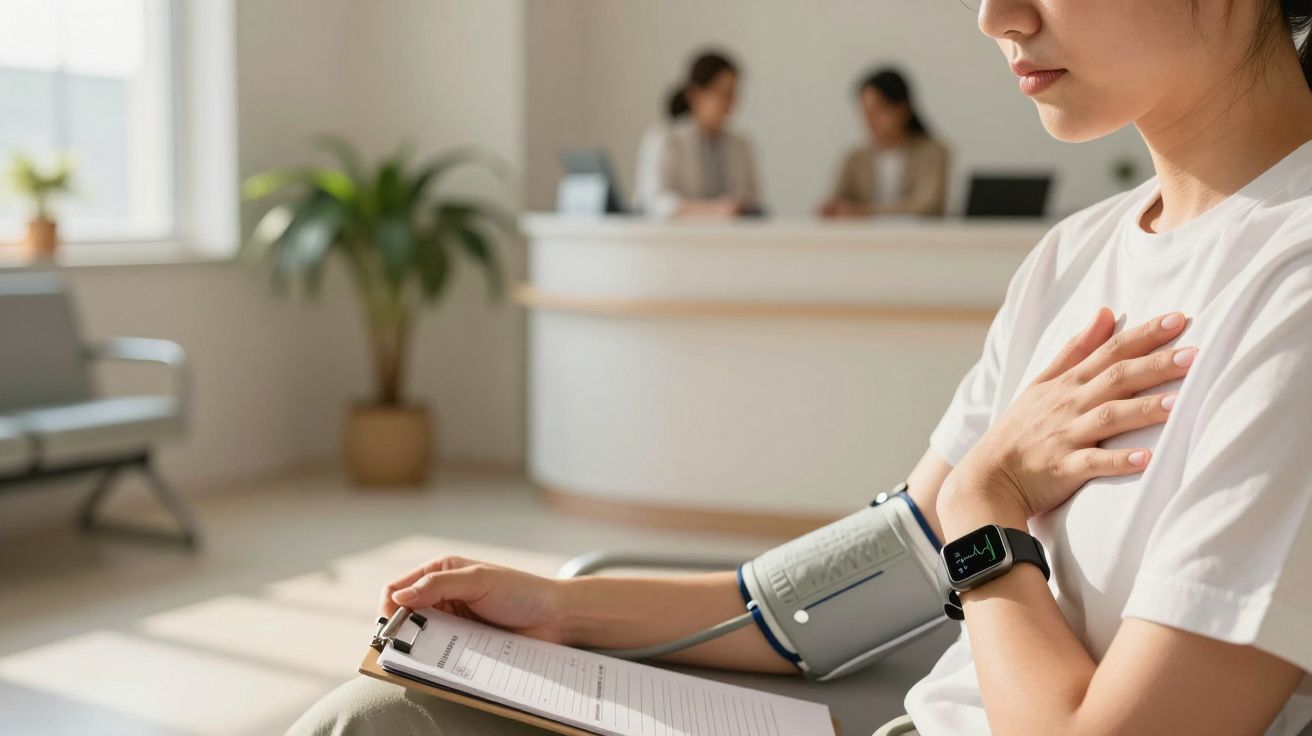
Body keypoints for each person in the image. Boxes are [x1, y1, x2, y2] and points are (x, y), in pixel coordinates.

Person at [291, 0, 1312, 732]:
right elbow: (892, 564)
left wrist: (987, 503)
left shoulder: (1293, 284)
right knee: (378, 715)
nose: (995, 16)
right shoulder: (1076, 255)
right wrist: (564, 611)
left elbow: (963, 528)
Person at [633, 50, 763, 218]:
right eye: (722, 93)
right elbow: (654, 201)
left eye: (732, 93)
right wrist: (714, 210)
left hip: (730, 233)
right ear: (694, 95)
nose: (730, 103)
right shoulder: (665, 139)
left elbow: (754, 201)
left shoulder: (741, 145)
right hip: (676, 233)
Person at [818, 68, 949, 218]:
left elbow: (927, 207)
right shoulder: (855, 157)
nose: (870, 120)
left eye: (878, 111)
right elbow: (838, 200)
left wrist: (865, 211)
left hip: (916, 234)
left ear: (903, 109)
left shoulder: (933, 153)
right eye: (866, 113)